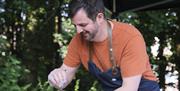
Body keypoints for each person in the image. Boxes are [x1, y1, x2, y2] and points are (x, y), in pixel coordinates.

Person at [48, 0, 160, 91]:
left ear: (100, 17)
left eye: (83, 24)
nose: (78, 31)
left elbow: (129, 88)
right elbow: (65, 75)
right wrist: (55, 78)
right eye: (75, 25)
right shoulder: (78, 41)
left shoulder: (130, 37)